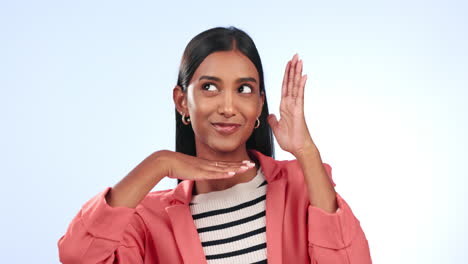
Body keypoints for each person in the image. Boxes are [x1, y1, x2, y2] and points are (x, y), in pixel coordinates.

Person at [57, 26, 372, 263]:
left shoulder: (303, 185)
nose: (228, 106)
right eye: (209, 87)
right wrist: (157, 164)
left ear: (260, 104)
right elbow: (78, 256)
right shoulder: (147, 220)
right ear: (182, 101)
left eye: (244, 89)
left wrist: (306, 151)